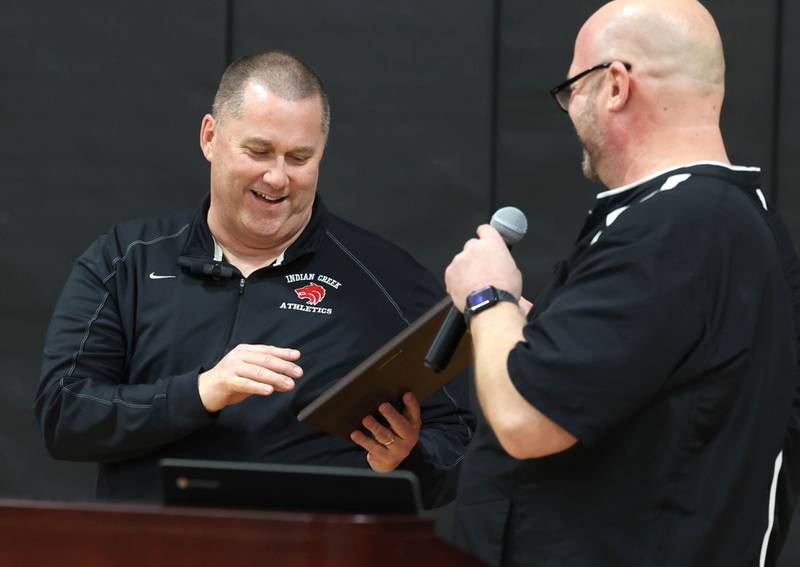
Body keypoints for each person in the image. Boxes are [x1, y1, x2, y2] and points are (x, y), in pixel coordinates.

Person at [444, 1, 800, 565]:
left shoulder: (677, 226)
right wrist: (529, 328)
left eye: (571, 90)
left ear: (614, 85)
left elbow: (525, 418)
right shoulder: (734, 219)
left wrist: (489, 297)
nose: (569, 111)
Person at [35, 50, 473, 507]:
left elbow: (457, 443)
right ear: (210, 137)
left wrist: (406, 458)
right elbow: (65, 413)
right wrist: (202, 391)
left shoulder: (388, 280)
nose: (277, 176)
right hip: (152, 547)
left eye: (299, 157)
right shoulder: (124, 261)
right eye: (259, 151)